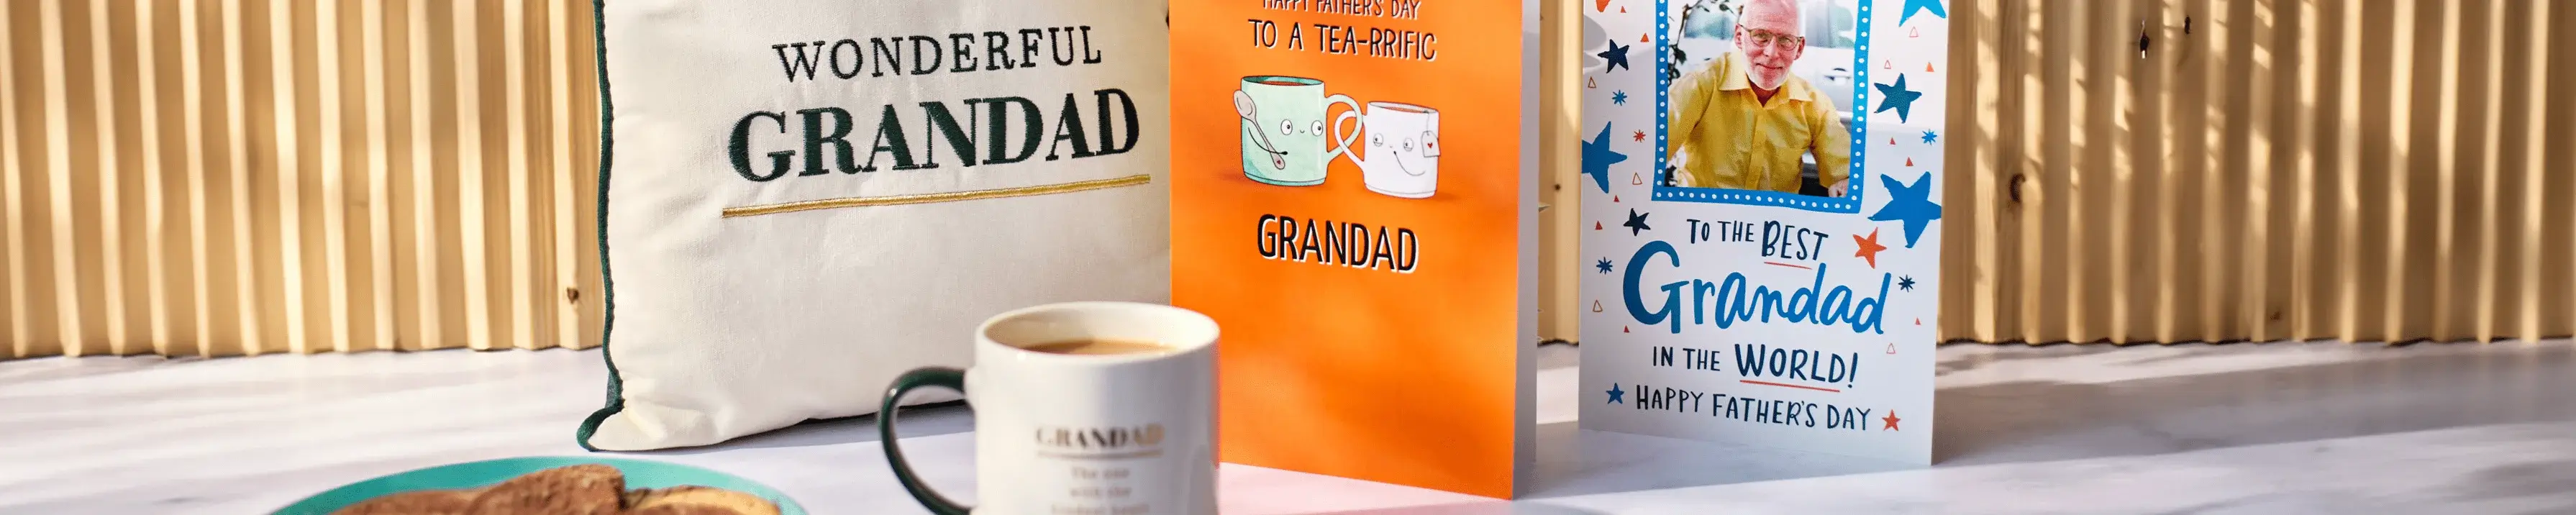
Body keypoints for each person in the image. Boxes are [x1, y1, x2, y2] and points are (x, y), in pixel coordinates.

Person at [1665, 0, 1851, 196]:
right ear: (1739, 37)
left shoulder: (1815, 105)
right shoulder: (1700, 85)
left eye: (1786, 40)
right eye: (1760, 36)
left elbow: (1846, 176)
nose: (1771, 53)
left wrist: (1844, 186)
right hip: (1702, 221)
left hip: (1774, 224)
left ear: (1799, 48)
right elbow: (1647, 154)